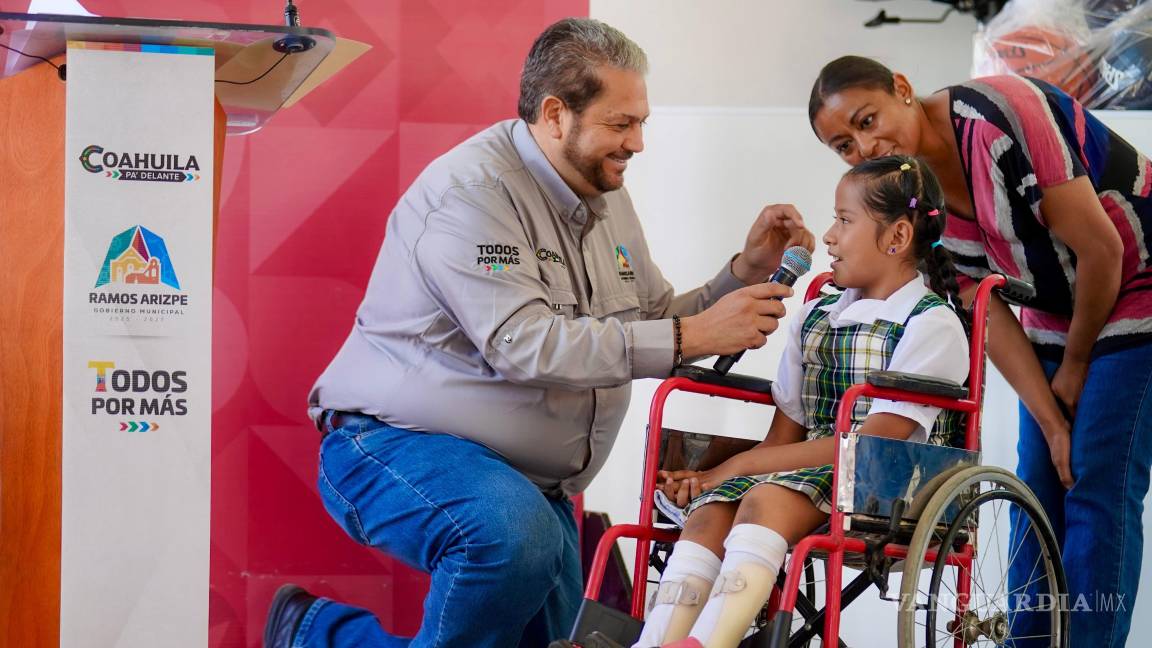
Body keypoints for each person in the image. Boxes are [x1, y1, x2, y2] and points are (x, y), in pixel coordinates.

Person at [262, 18, 816, 648]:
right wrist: (692, 334)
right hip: (392, 445)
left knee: (543, 611)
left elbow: (655, 318)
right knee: (511, 537)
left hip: (530, 489)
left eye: (641, 123)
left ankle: (318, 635)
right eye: (621, 123)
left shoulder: (605, 192)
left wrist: (743, 272)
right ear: (555, 115)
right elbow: (523, 344)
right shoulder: (472, 192)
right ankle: (320, 634)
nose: (637, 143)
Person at [808, 56, 1152, 648]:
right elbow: (987, 309)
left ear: (903, 88)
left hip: (1138, 276)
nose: (864, 148)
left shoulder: (1004, 115)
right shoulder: (914, 201)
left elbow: (1103, 251)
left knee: (1095, 476)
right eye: (844, 146)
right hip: (1057, 308)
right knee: (1037, 485)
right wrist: (1050, 418)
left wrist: (1073, 369)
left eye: (867, 121)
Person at [620, 156, 969, 648]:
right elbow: (783, 437)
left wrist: (737, 465)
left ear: (897, 237)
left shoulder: (930, 324)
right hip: (808, 472)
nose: (828, 236)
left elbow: (867, 449)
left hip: (885, 482)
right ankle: (655, 641)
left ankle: (708, 643)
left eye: (844, 220)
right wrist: (716, 478)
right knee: (710, 510)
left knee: (762, 498)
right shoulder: (815, 317)